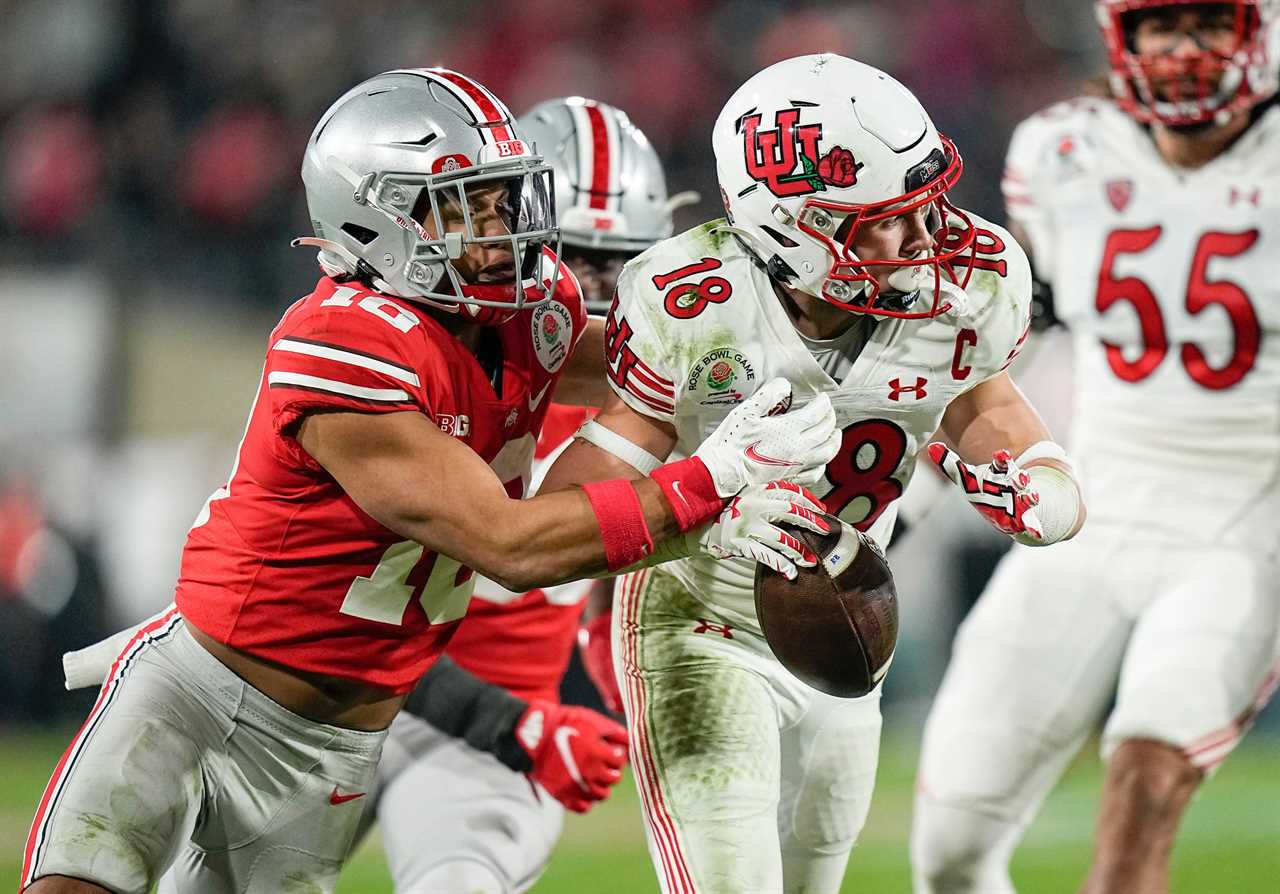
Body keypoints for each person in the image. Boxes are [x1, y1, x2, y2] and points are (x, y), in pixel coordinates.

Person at [20, 69, 839, 894]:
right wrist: (708, 482)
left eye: (500, 200)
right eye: (466, 205)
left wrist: (762, 358)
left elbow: (641, 371)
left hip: (336, 746)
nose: (498, 228)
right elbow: (509, 546)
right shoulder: (341, 345)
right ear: (375, 219)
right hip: (202, 697)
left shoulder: (525, 310)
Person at [538, 53, 1086, 894]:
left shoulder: (972, 284)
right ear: (793, 225)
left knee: (815, 878)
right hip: (698, 620)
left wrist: (1041, 478)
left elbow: (982, 402)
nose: (928, 238)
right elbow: (571, 505)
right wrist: (704, 513)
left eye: (924, 203)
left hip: (848, 614)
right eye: (884, 220)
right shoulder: (694, 298)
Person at [911, 3, 1280, 893]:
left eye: (1206, 24)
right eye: (1163, 26)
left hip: (1246, 521)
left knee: (1148, 774)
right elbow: (1004, 334)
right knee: (951, 850)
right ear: (1122, 37)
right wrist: (911, 497)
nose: (1183, 51)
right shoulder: (1059, 152)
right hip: (1092, 510)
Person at [356, 96, 696, 894]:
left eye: (623, 265)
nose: (598, 292)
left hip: (488, 740)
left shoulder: (656, 402)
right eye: (573, 257)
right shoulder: (413, 370)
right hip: (335, 695)